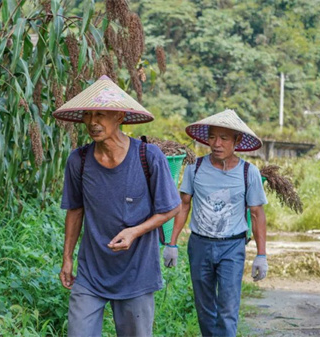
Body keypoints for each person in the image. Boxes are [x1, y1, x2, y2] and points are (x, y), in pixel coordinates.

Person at [53, 75, 181, 337]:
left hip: (137, 274)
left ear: (120, 117)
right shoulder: (79, 160)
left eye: (101, 114)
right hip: (91, 273)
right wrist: (67, 258)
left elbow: (171, 208)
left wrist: (135, 231)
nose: (92, 122)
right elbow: (75, 211)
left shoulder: (148, 157)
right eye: (88, 115)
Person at [163, 109, 269, 337]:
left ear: (237, 141)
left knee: (228, 308)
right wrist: (172, 244)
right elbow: (184, 205)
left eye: (224, 138)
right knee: (205, 308)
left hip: (232, 247)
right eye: (212, 137)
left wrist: (261, 255)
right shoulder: (195, 169)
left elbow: (258, 214)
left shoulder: (248, 172)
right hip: (200, 245)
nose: (216, 144)